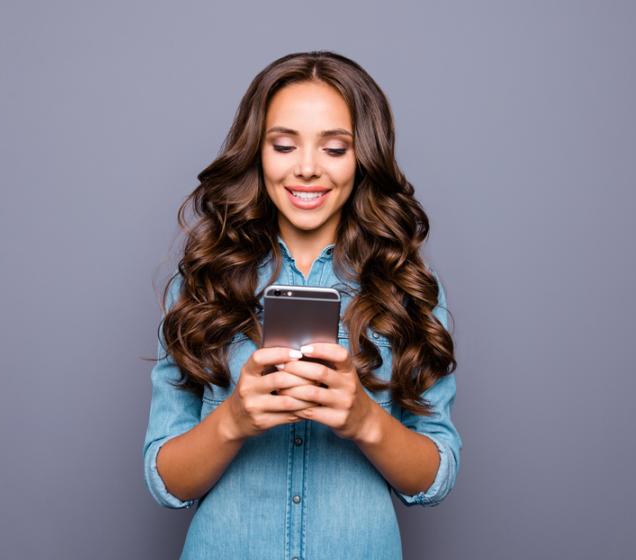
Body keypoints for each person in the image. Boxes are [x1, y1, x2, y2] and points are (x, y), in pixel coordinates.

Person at [142, 50, 461, 560]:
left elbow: (437, 474)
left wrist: (365, 420)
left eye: (335, 149)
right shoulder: (206, 281)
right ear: (258, 153)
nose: (307, 169)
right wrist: (233, 420)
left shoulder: (406, 286)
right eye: (284, 145)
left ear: (363, 158)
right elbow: (166, 482)